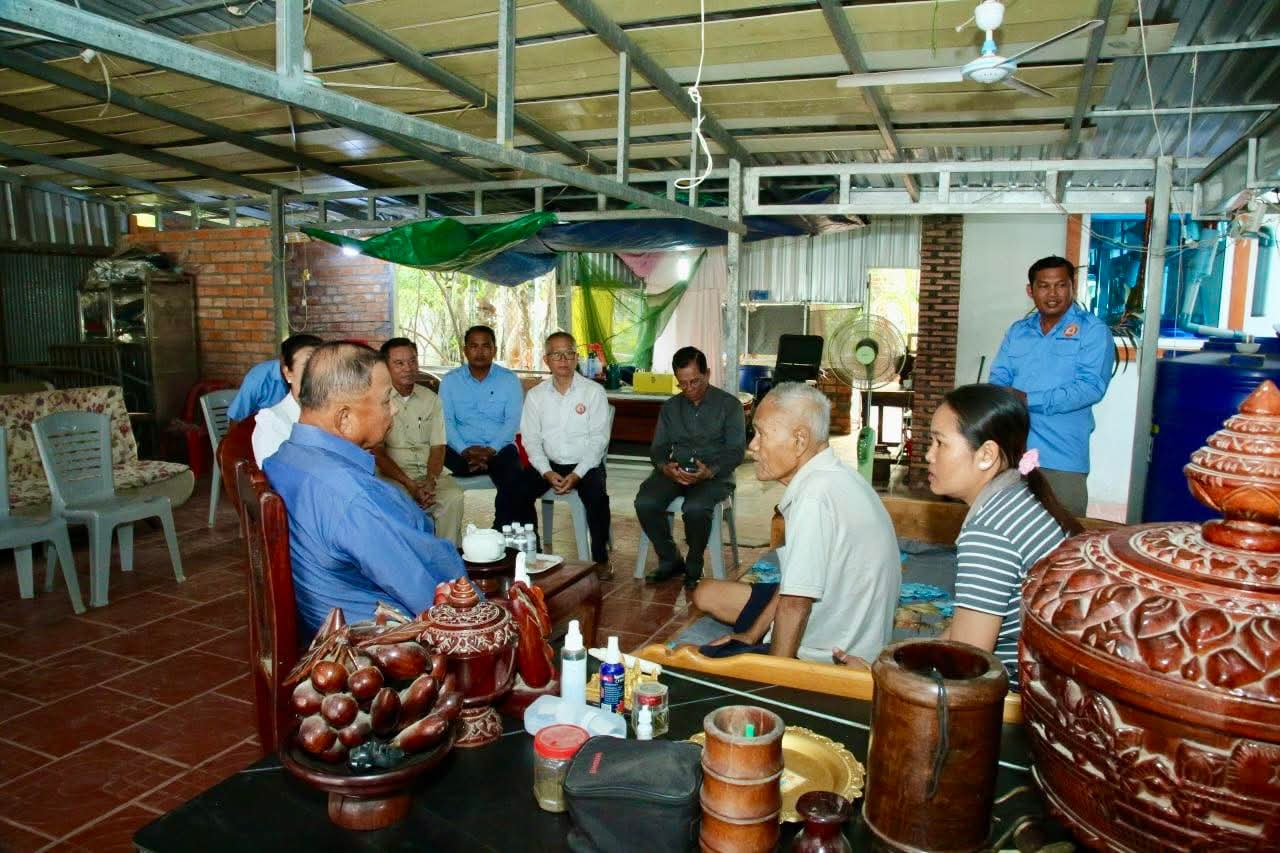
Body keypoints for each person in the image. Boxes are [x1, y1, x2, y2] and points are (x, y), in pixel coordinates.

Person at [263, 342, 464, 634]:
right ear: (344, 418)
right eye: (385, 400)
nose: (394, 409)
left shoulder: (284, 458)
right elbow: (427, 592)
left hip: (328, 615)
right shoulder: (351, 494)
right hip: (378, 639)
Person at [694, 383, 900, 662]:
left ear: (800, 440)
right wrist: (751, 636)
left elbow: (795, 604)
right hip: (843, 620)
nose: (752, 446)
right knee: (707, 592)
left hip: (834, 655)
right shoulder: (833, 475)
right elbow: (795, 582)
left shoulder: (814, 497)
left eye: (761, 434)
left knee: (690, 662)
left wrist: (776, 675)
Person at [922, 383, 1082, 680]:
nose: (929, 455)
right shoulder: (1017, 494)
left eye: (940, 443)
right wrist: (900, 657)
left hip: (1019, 687)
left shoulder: (989, 531)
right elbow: (963, 628)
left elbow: (966, 663)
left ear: (986, 454)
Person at [988, 255, 1113, 517]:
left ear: (1073, 287)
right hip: (1014, 453)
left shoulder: (1092, 331)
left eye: (1061, 285)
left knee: (1063, 529)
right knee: (1010, 525)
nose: (1053, 294)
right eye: (1044, 286)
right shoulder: (1018, 331)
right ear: (1030, 291)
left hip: (1061, 457)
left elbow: (1090, 387)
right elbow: (999, 379)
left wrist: (1027, 399)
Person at [635, 346, 746, 590]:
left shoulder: (729, 406)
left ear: (707, 374)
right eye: (682, 384)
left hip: (715, 474)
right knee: (645, 502)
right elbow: (658, 448)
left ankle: (694, 562)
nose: (689, 389)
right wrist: (665, 467)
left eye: (694, 381)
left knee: (695, 507)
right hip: (676, 472)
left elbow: (736, 451)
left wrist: (711, 471)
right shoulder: (670, 407)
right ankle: (670, 558)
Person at [520, 332, 611, 565]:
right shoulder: (536, 396)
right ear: (546, 360)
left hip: (586, 463)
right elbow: (531, 440)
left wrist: (578, 473)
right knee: (518, 492)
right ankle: (533, 553)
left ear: (576, 357)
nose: (563, 359)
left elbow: (598, 440)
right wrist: (546, 472)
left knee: (597, 496)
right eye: (556, 354)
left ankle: (600, 558)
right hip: (549, 463)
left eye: (568, 353)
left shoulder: (593, 392)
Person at [373, 338, 465, 545]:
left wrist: (430, 481)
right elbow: (378, 452)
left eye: (412, 361)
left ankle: (448, 556)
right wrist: (410, 484)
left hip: (428, 473)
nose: (408, 368)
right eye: (399, 363)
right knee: (398, 502)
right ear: (386, 366)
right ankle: (411, 557)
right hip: (394, 476)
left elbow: (438, 446)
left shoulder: (431, 399)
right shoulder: (377, 400)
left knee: (453, 497)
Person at [251, 336, 320, 466]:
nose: (318, 373)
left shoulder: (332, 413)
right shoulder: (271, 422)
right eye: (308, 365)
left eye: (323, 366)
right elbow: (278, 474)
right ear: (288, 373)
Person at [227, 334, 323, 422]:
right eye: (306, 364)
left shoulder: (321, 380)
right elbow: (236, 417)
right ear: (283, 360)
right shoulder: (258, 378)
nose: (314, 369)